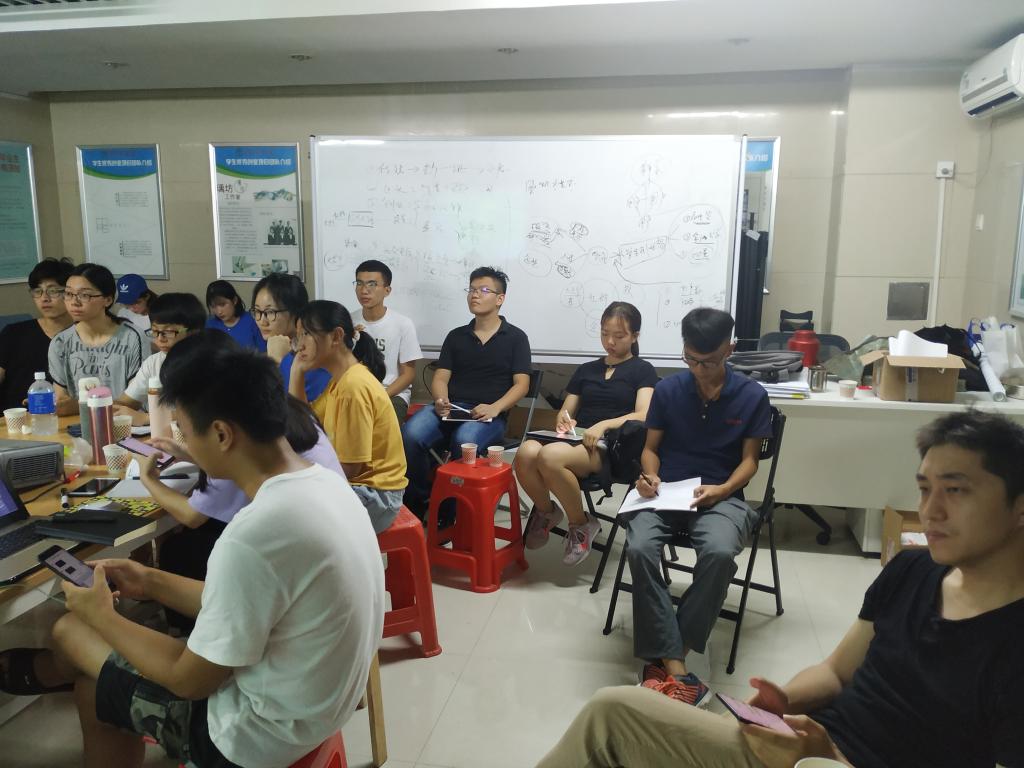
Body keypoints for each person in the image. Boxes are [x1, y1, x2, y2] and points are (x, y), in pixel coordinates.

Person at [535, 409, 1024, 768]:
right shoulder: (912, 571)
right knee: (613, 710)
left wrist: (829, 757)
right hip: (806, 749)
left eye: (955, 490)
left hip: (828, 760)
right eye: (924, 489)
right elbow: (835, 673)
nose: (931, 510)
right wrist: (780, 704)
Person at [0, 334, 385, 768]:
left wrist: (101, 615)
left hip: (254, 739)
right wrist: (149, 580)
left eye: (184, 428)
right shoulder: (323, 484)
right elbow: (245, 601)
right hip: (318, 707)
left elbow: (189, 680)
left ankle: (51, 670)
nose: (182, 440)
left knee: (76, 636)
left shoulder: (256, 534)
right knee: (93, 667)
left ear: (221, 433)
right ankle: (57, 669)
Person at [630, 307, 772, 706]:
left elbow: (750, 462)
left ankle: (668, 657)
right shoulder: (668, 390)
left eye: (707, 362)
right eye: (690, 359)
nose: (697, 369)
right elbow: (651, 449)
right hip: (666, 492)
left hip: (722, 495)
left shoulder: (751, 395)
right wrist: (650, 476)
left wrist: (722, 489)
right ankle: (678, 668)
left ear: (730, 349)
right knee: (639, 547)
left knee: (721, 553)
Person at [515, 301, 658, 565]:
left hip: (610, 445)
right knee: (525, 452)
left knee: (549, 456)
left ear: (635, 336)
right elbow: (566, 410)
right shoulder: (587, 369)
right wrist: (563, 419)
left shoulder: (642, 370)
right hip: (576, 439)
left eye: (619, 336)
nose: (610, 342)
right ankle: (547, 512)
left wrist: (604, 425)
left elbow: (643, 414)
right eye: (605, 334)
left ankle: (581, 524)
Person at [401, 267, 532, 520]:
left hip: (489, 415)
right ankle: (417, 504)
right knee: (410, 434)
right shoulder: (456, 336)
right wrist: (440, 399)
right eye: (471, 289)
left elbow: (522, 385)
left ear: (500, 298)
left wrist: (495, 407)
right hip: (451, 409)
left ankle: (451, 513)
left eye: (483, 290)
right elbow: (441, 377)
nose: (475, 294)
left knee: (465, 440)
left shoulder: (516, 338)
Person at [290, 300, 407, 534]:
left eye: (307, 334)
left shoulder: (353, 387)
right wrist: (296, 371)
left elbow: (350, 469)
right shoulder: (341, 380)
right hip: (359, 487)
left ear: (336, 336)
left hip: (375, 496)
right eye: (298, 335)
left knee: (290, 512)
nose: (299, 345)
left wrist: (299, 473)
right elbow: (305, 423)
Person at [48, 262, 149, 413]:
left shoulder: (133, 337)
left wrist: (79, 406)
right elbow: (62, 400)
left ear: (108, 300)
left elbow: (135, 400)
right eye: (68, 294)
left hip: (123, 423)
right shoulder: (60, 342)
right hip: (76, 423)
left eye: (85, 295)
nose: (74, 302)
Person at [114, 293, 206, 425]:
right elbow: (126, 402)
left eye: (168, 332)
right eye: (155, 331)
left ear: (193, 332)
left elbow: (201, 412)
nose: (160, 339)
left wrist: (146, 418)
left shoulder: (207, 363)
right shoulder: (154, 362)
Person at [352, 259, 422, 422]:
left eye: (372, 284)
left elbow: (408, 374)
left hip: (391, 393)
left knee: (379, 426)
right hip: (356, 390)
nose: (364, 290)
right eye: (359, 283)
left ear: (387, 290)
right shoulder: (348, 321)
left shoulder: (403, 324)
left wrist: (380, 396)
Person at [0, 257, 73, 410]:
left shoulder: (84, 336)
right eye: (37, 291)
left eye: (53, 291)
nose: (44, 298)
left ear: (71, 293)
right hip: (15, 418)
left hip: (68, 415)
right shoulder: (13, 334)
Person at [251, 272, 331, 402]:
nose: (262, 321)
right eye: (257, 311)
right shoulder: (271, 349)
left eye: (270, 312)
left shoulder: (314, 357)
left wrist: (278, 363)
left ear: (295, 312)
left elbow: (293, 409)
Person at [204, 279, 266, 352]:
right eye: (213, 306)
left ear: (234, 300)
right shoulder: (210, 325)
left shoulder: (252, 321)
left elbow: (264, 352)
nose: (219, 311)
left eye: (222, 305)